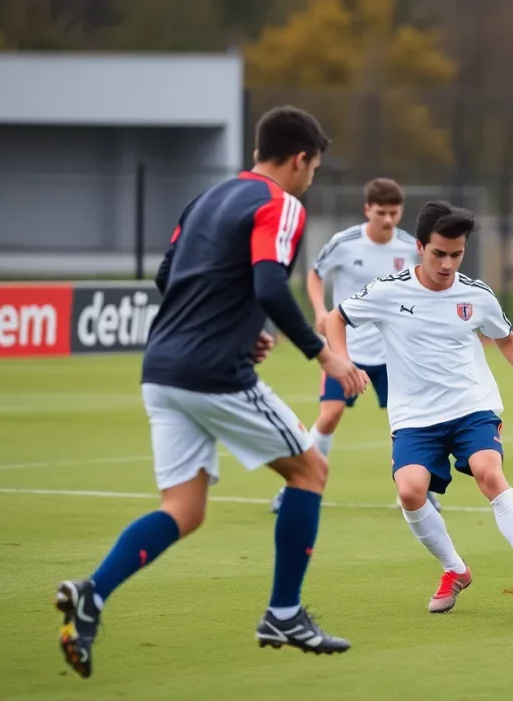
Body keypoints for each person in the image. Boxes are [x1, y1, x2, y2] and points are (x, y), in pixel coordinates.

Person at [54, 106, 368, 679]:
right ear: (300, 159)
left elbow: (168, 276)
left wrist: (243, 331)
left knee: (184, 508)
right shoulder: (281, 204)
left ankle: (91, 594)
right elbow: (269, 283)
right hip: (212, 374)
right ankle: (284, 613)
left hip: (161, 370)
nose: (311, 178)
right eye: (315, 168)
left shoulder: (207, 199)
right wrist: (324, 353)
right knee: (310, 471)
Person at [326, 200, 513, 613]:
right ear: (420, 247)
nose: (447, 264)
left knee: (489, 473)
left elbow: (506, 338)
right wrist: (343, 362)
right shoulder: (389, 291)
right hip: (414, 416)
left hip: (472, 406)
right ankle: (455, 569)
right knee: (410, 491)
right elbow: (336, 318)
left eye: (457, 254)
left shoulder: (476, 295)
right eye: (439, 253)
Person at [268, 178, 441, 514]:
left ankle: (419, 489)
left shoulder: (410, 247)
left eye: (394, 213)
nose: (388, 219)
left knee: (407, 423)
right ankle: (297, 487)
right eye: (381, 213)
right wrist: (320, 311)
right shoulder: (344, 243)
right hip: (345, 351)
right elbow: (315, 274)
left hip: (394, 354)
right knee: (330, 415)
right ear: (367, 210)